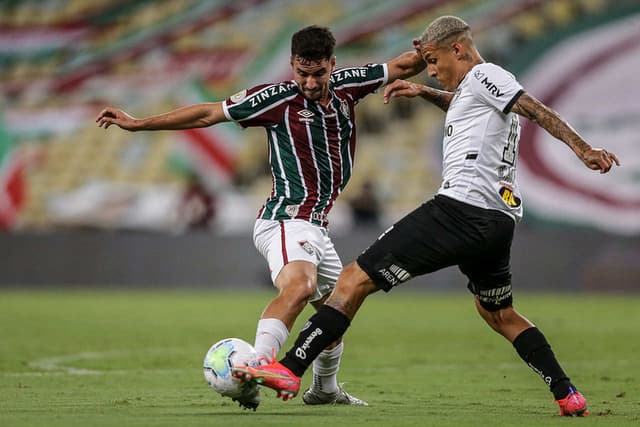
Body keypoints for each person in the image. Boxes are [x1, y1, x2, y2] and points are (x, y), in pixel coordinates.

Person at [231, 16, 620, 417]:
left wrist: (583, 149)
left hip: (460, 210)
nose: (431, 71)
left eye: (433, 61)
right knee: (499, 313)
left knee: (352, 280)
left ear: (459, 50)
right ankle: (567, 392)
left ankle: (289, 369)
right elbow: (465, 103)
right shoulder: (476, 88)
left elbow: (530, 106)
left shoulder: (489, 74)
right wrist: (423, 91)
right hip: (498, 222)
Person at [96, 25, 426, 410]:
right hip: (285, 218)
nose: (309, 82)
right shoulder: (275, 100)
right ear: (291, 65)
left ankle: (324, 390)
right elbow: (207, 113)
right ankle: (256, 367)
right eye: (302, 73)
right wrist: (137, 123)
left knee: (337, 311)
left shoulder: (349, 84)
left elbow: (402, 65)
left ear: (332, 65)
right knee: (300, 287)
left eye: (318, 73)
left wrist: (428, 52)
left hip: (316, 223)